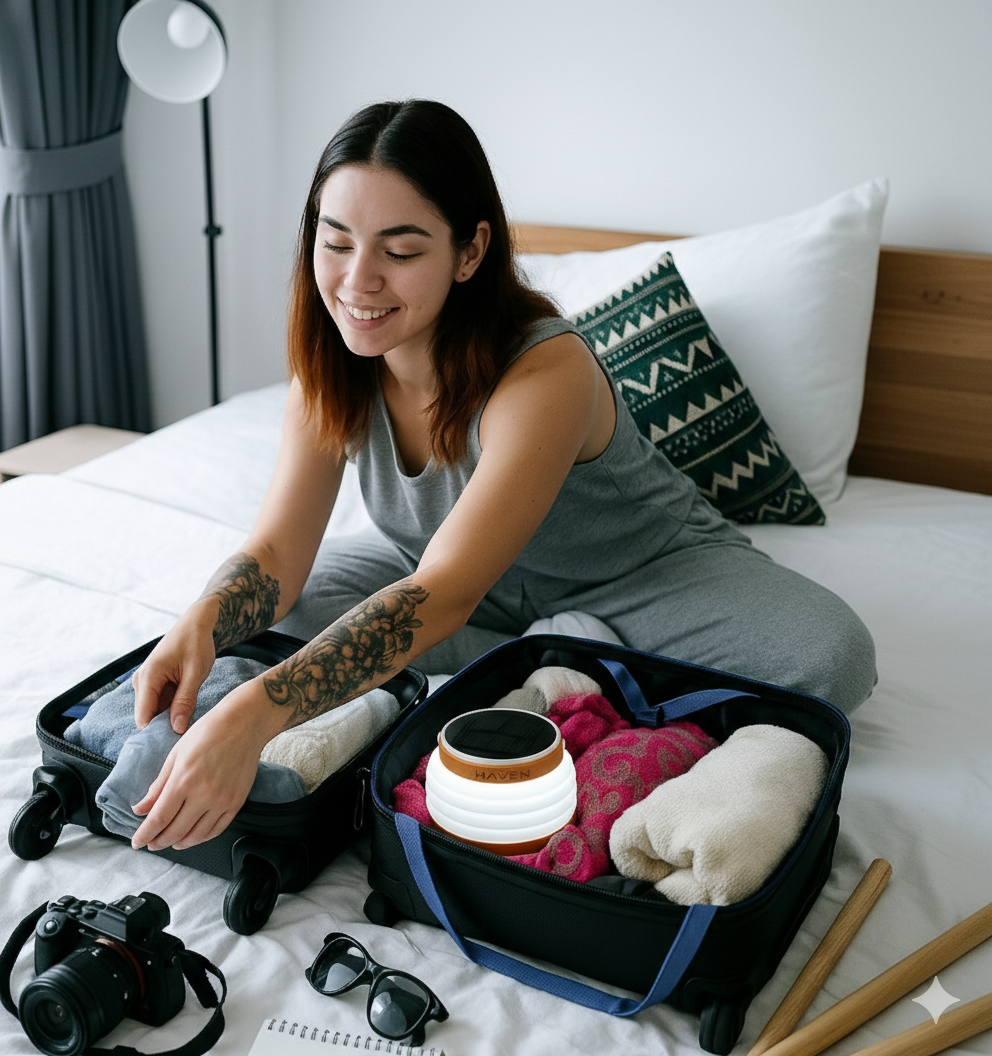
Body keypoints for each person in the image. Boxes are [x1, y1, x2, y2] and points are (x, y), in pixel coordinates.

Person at [130, 100, 876, 853]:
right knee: (276, 618)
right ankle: (555, 657)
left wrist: (253, 714)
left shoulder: (546, 369)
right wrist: (203, 617)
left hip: (633, 576)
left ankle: (556, 648)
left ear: (469, 250)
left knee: (831, 657)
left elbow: (443, 592)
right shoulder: (332, 368)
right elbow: (279, 556)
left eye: (401, 249)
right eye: (336, 242)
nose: (359, 281)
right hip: (449, 578)